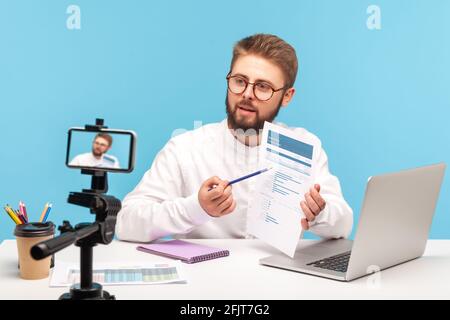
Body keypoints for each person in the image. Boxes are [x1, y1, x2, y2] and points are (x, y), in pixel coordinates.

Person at [116, 34, 353, 242]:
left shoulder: (304, 145)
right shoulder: (185, 148)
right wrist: (196, 208)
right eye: (240, 81)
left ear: (287, 96)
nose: (247, 95)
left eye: (263, 86)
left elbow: (343, 225)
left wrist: (320, 213)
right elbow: (126, 223)